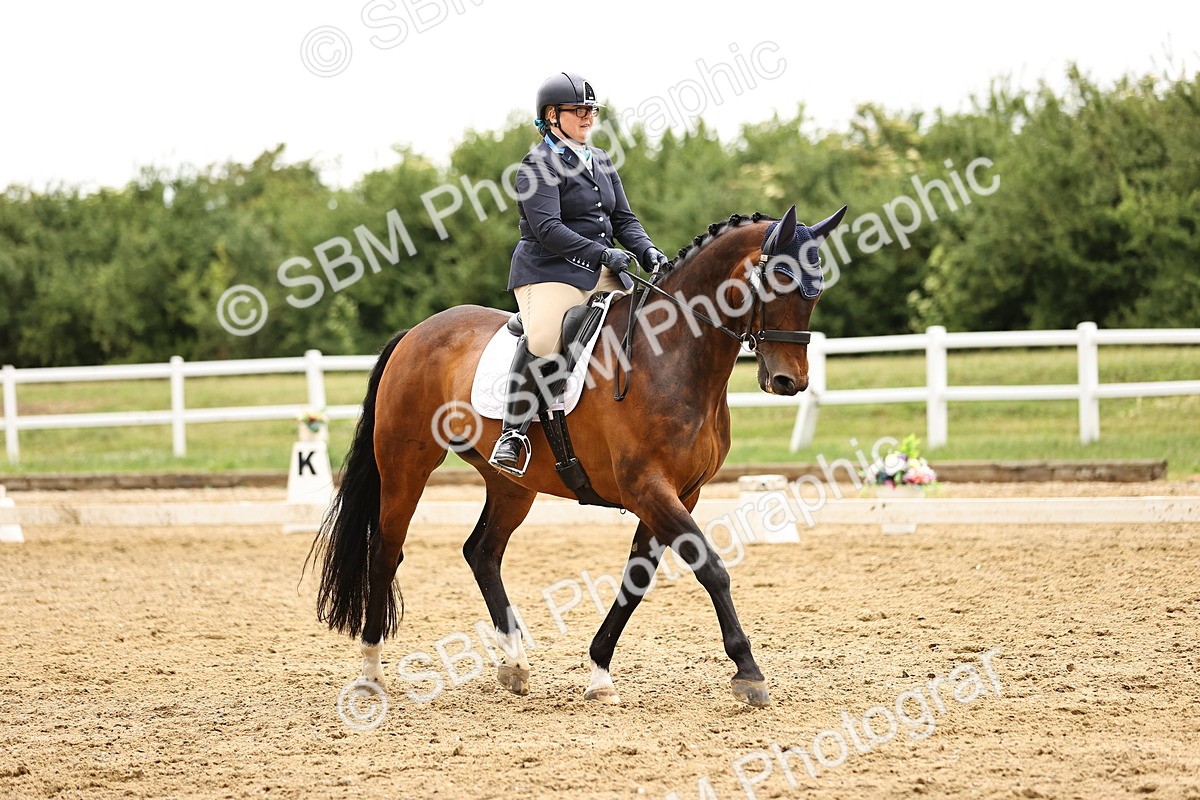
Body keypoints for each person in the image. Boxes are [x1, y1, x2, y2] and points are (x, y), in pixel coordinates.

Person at [488, 71, 670, 475]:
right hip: (548, 271)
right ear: (552, 116)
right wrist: (604, 253)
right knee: (545, 335)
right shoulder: (536, 166)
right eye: (579, 110)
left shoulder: (602, 161)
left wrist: (649, 251)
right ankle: (512, 433)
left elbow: (624, 219)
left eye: (592, 110)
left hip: (602, 269)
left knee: (652, 323)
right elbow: (548, 229)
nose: (589, 117)